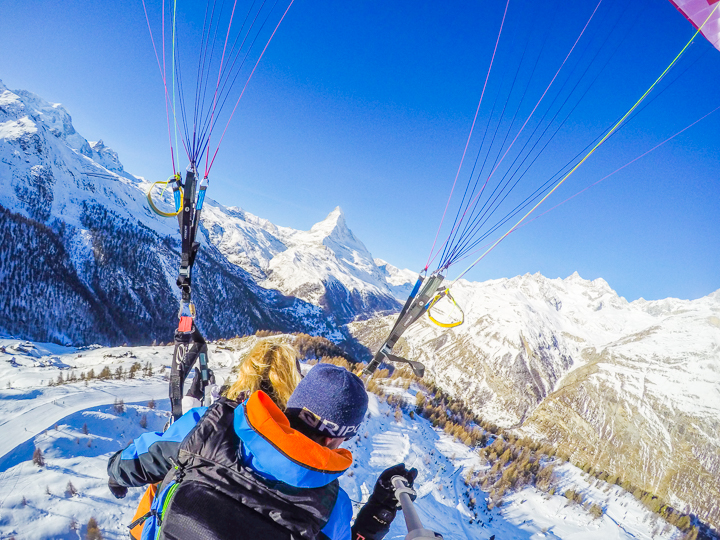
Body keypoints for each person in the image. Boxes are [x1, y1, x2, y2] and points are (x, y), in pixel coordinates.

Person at [108, 361, 415, 540]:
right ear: (339, 439)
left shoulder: (209, 426)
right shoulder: (330, 506)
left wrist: (115, 475)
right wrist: (379, 510)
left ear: (291, 405)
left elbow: (136, 459)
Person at [124, 340, 304, 540]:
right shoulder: (308, 460)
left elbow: (145, 456)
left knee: (163, 481)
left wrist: (116, 475)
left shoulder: (207, 423)